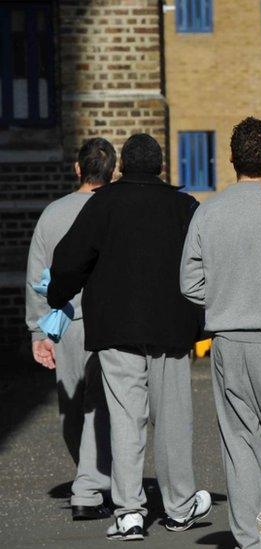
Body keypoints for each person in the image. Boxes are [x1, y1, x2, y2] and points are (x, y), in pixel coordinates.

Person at [47, 133, 211, 542]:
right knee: (173, 420)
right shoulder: (183, 206)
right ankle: (178, 506)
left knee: (125, 421)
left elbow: (69, 260)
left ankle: (129, 512)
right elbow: (206, 264)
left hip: (116, 329)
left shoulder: (102, 204)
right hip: (171, 329)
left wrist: (57, 295)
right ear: (160, 166)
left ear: (121, 167)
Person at [179, 117, 261, 549]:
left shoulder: (207, 211)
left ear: (231, 158)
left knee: (239, 440)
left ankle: (250, 539)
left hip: (227, 338)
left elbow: (189, 283)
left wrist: (222, 296)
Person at [25, 137, 115, 521]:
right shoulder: (114, 210)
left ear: (77, 169)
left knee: (72, 409)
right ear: (113, 172)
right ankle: (91, 486)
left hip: (62, 321)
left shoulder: (52, 214)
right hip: (107, 320)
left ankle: (88, 480)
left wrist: (37, 331)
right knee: (104, 407)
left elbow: (36, 275)